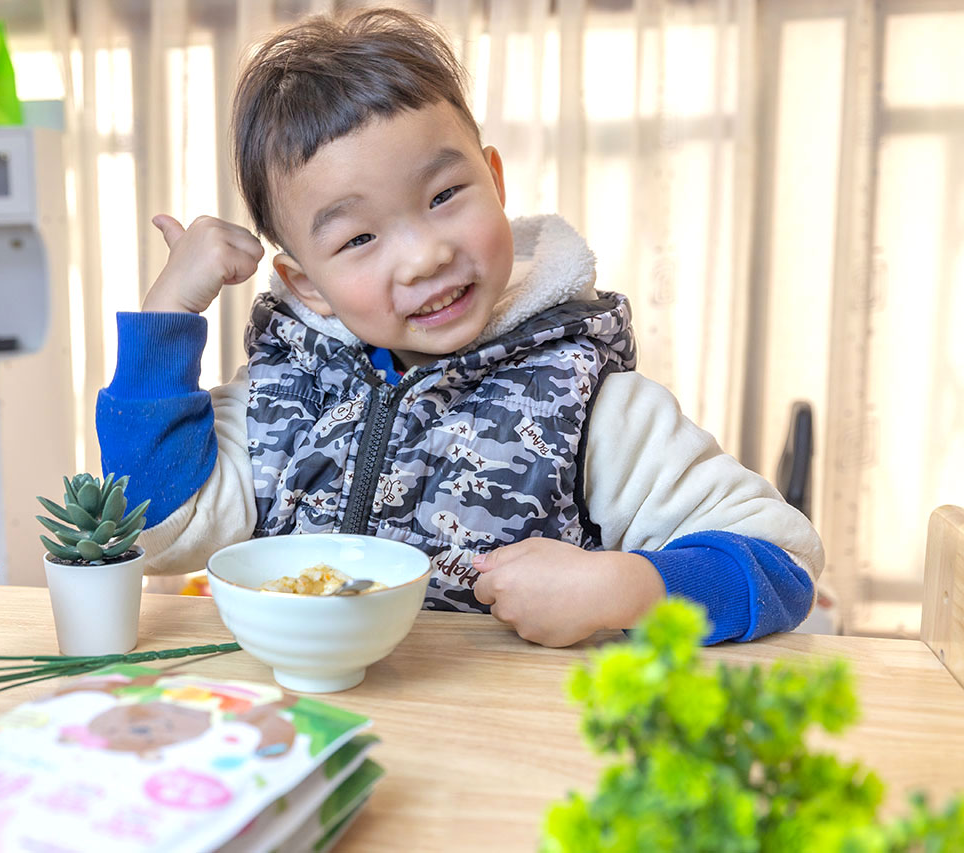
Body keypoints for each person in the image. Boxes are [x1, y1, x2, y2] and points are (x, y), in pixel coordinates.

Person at [95, 7, 822, 647]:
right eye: (358, 238)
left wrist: (627, 588)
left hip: (503, 746)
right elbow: (155, 529)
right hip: (306, 733)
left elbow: (783, 565)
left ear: (496, 182)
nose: (426, 255)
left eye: (444, 195)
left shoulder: (593, 402)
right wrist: (169, 311)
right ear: (307, 284)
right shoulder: (278, 400)